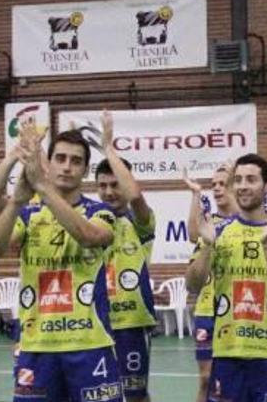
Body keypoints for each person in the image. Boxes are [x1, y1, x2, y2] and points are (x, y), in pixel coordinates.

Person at [0, 119, 123, 402]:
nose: (67, 166)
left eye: (76, 161)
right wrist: (16, 200)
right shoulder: (29, 214)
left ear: (85, 170)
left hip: (90, 344)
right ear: (51, 162)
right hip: (36, 346)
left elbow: (87, 235)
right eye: (60, 158)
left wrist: (43, 187)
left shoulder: (102, 212)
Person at [187, 154, 267, 402]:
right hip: (228, 354)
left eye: (251, 179)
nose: (242, 186)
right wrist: (208, 246)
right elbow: (193, 284)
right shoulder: (217, 232)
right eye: (238, 180)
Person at [96, 110, 157, 402]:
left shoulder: (140, 221)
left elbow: (135, 195)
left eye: (115, 183)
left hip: (132, 323)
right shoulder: (88, 222)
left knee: (135, 396)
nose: (109, 191)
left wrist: (108, 147)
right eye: (102, 185)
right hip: (95, 322)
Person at [183, 164, 239, 402]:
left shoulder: (249, 220)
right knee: (206, 379)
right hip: (207, 309)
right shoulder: (210, 222)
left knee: (233, 378)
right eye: (213, 184)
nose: (217, 188)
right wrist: (196, 194)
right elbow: (193, 233)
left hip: (239, 311)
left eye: (222, 184)